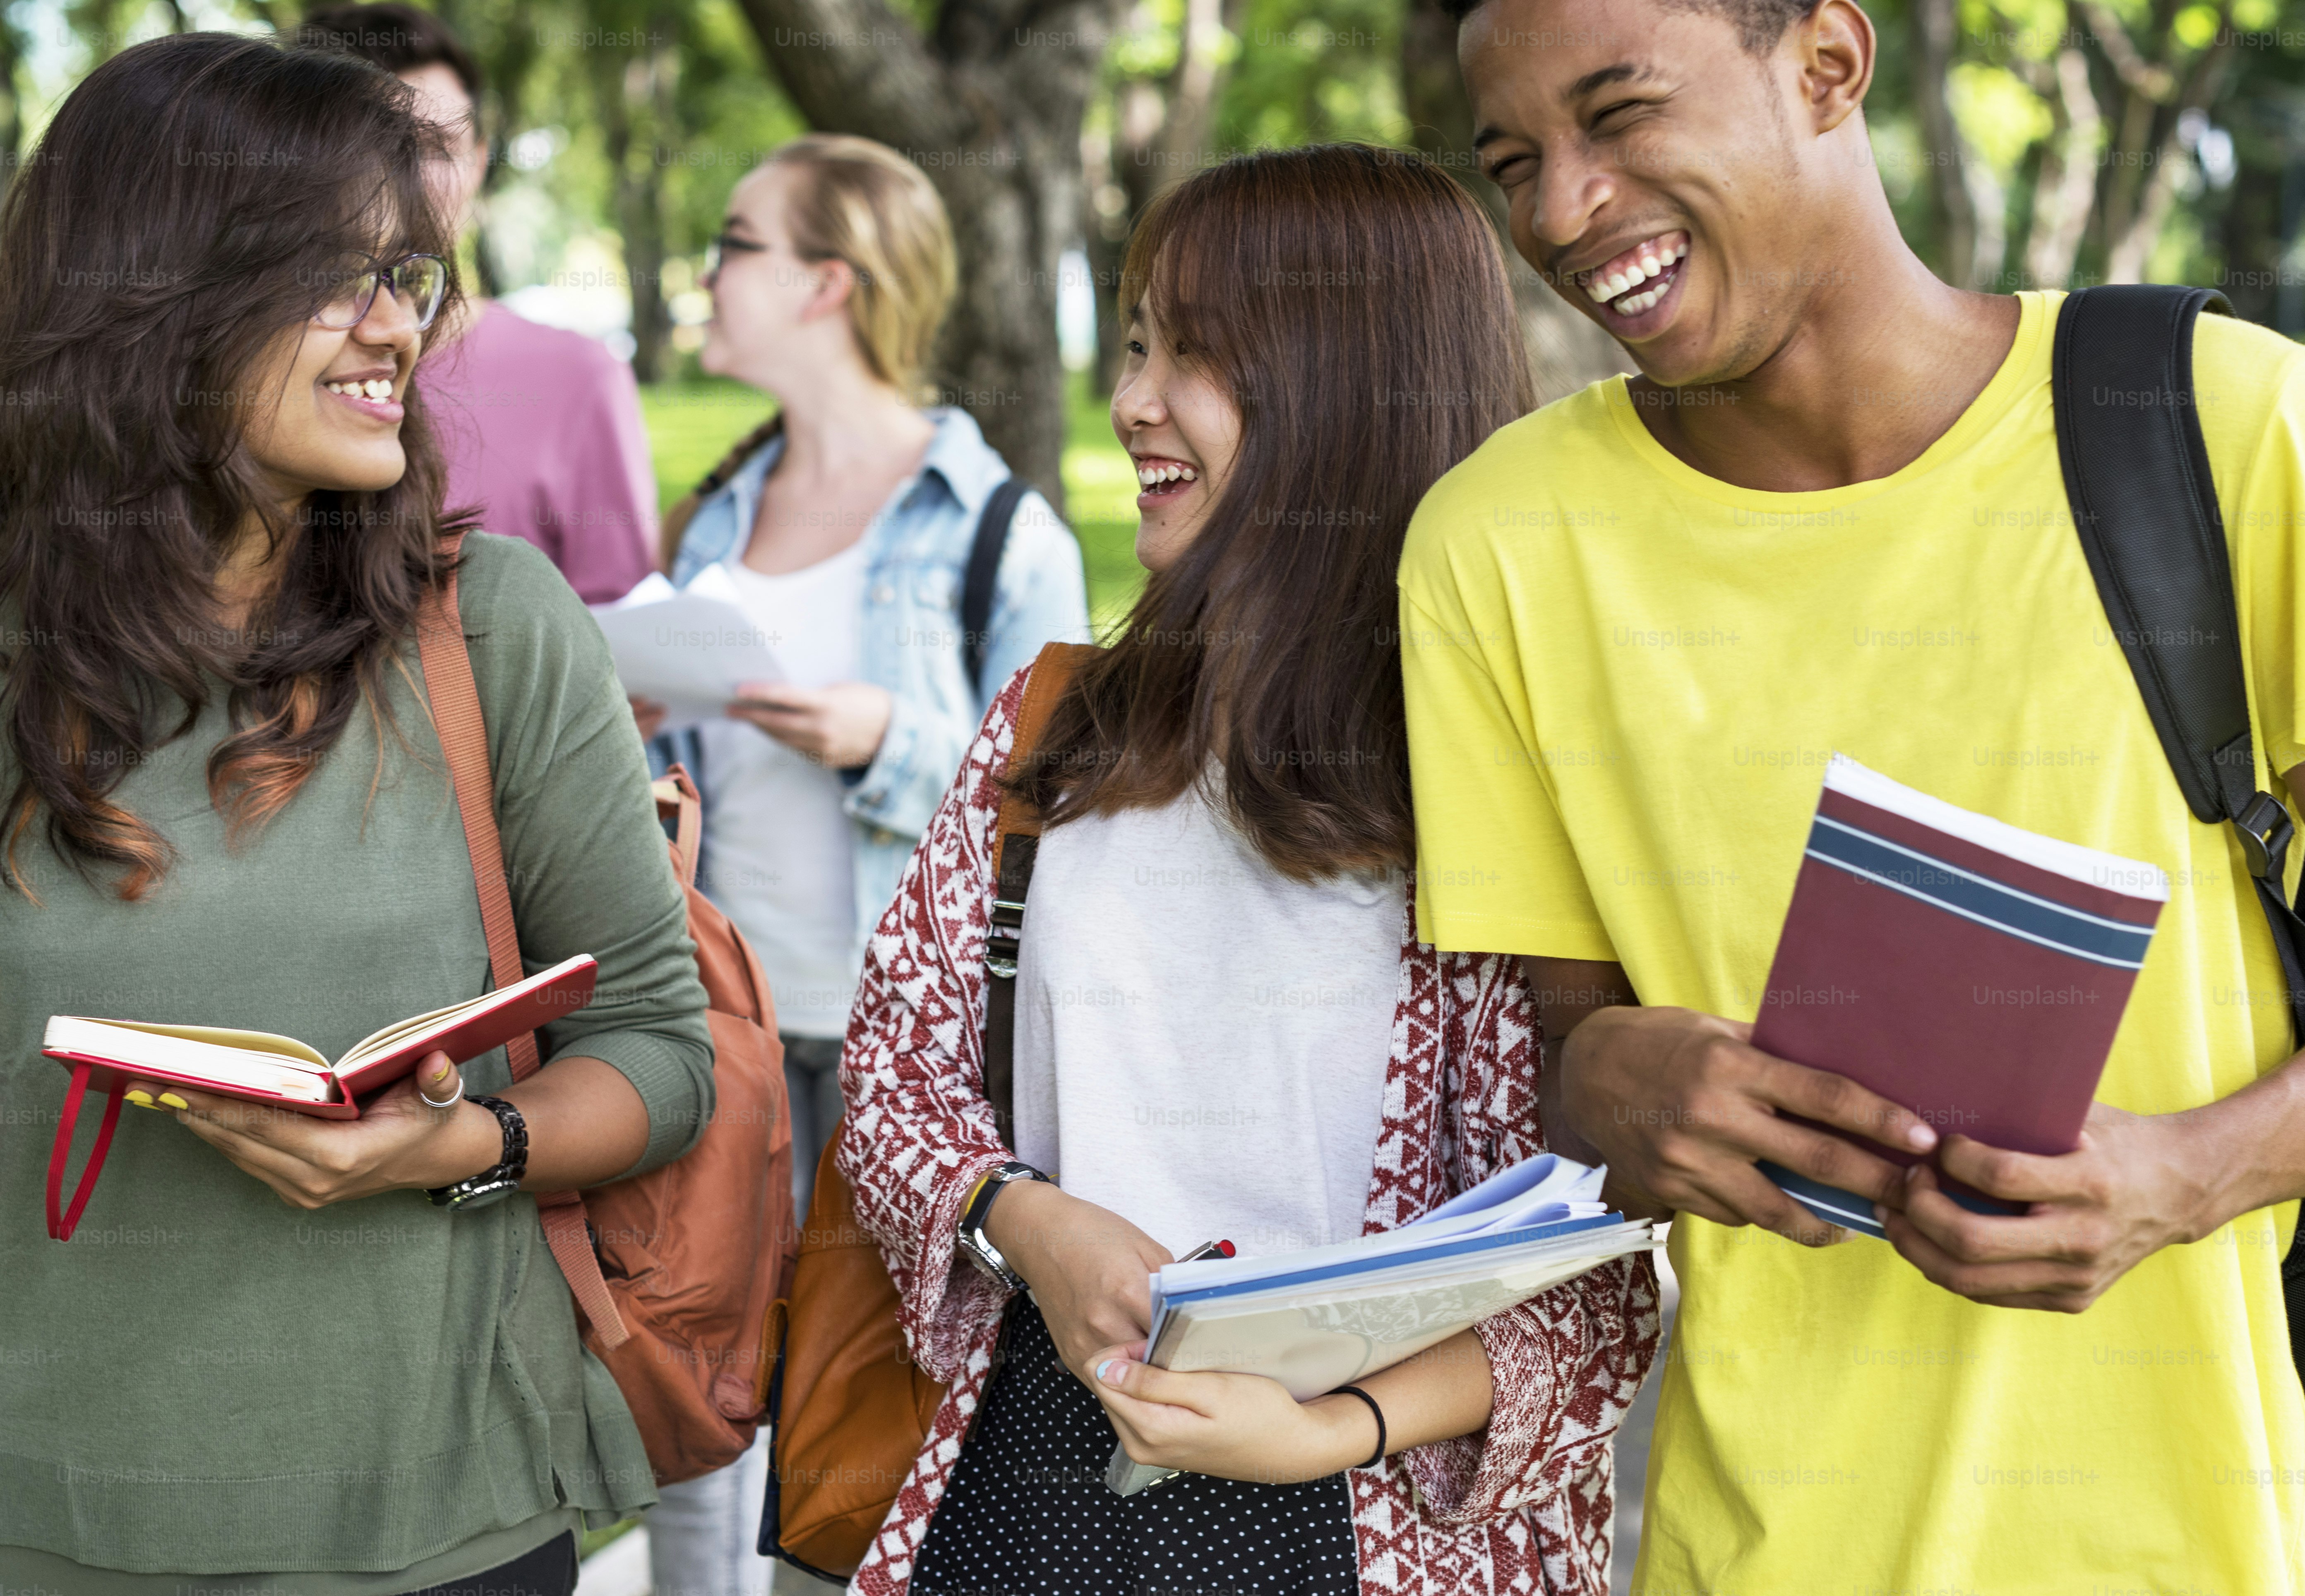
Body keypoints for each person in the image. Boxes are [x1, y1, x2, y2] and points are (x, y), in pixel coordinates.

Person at [1400, 0, 2305, 1589]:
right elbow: (1561, 1054)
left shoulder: (2224, 423)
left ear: (1826, 64)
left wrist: (2192, 1173)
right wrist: (1614, 1085)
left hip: (2210, 1537)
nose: (1559, 209)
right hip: (1755, 1546)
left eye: (1619, 117)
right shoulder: (1494, 545)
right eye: (1515, 161)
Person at [837, 144, 1659, 1596]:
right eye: (1139, 340)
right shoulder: (1057, 723)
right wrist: (1029, 1217)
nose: (1134, 400)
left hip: (1375, 1515)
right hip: (1032, 1478)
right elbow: (897, 1074)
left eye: (1196, 356)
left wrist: (1329, 1422)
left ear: (1346, 393)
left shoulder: (1510, 776)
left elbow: (1600, 1265)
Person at [0, 32, 712, 1596]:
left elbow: (664, 1053)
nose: (398, 325)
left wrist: (453, 1149)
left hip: (437, 1526)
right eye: (339, 275)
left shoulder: (491, 624)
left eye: (410, 275)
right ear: (159, 290)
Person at [643, 133, 1088, 1596]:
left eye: (737, 242)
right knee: (696, 1384)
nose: (709, 272)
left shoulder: (995, 525)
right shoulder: (717, 508)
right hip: (733, 1027)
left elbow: (1066, 791)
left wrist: (886, 735)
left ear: (830, 281)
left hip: (912, 1057)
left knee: (864, 1428)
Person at [300, 2, 661, 605]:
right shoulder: (246, 371)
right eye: (383, 148)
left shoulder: (580, 376)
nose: (413, 181)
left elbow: (624, 641)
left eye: (439, 147)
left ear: (478, 162)